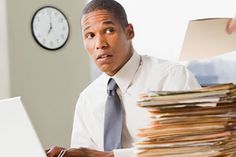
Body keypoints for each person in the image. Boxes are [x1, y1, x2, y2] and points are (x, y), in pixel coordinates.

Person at [46, 0, 202, 157]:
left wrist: (112, 156)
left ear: (129, 32)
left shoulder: (171, 78)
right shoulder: (87, 99)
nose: (100, 44)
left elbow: (195, 146)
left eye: (108, 30)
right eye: (90, 35)